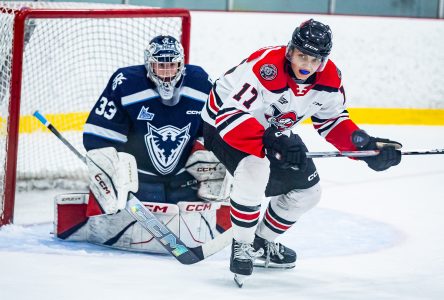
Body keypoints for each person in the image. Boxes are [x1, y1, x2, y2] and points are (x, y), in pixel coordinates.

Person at [201, 19, 402, 284]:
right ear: (290, 51)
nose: (307, 66)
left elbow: (332, 120)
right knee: (255, 169)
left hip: (272, 130)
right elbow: (229, 117)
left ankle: (261, 243)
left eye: (315, 60)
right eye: (302, 56)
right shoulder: (266, 68)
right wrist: (272, 142)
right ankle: (243, 245)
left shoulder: (330, 79)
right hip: (222, 126)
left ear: (324, 60)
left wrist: (365, 147)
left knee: (308, 191)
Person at [54, 35, 230, 253]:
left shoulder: (201, 83)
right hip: (139, 182)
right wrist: (112, 171)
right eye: (160, 66)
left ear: (181, 64)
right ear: (149, 64)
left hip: (184, 181)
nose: (167, 73)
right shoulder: (126, 83)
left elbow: (220, 130)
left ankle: (219, 216)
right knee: (108, 166)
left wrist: (207, 152)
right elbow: (97, 134)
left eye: (172, 65)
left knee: (221, 157)